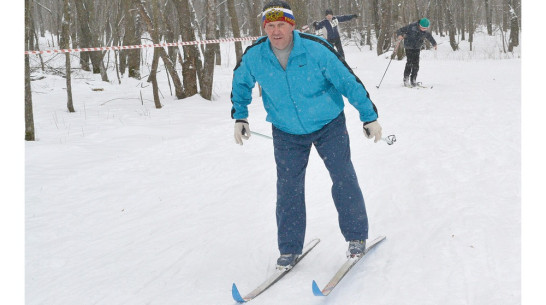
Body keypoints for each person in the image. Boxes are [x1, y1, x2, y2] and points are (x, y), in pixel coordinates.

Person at [230, 0, 382, 270]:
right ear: (265, 27)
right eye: (270, 26)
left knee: (343, 177)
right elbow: (240, 82)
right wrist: (240, 115)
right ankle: (289, 249)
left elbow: (348, 81)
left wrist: (369, 116)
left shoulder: (316, 49)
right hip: (286, 131)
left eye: (281, 25)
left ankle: (356, 236)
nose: (276, 31)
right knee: (288, 188)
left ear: (291, 25)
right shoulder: (255, 55)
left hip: (328, 125)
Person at [396, 18, 438, 87]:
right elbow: (400, 30)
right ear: (419, 25)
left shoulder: (425, 31)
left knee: (416, 64)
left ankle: (413, 80)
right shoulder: (411, 27)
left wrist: (434, 44)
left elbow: (429, 37)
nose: (424, 29)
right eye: (422, 28)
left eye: (425, 28)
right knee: (409, 63)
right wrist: (399, 35)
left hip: (417, 47)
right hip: (409, 47)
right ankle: (406, 79)